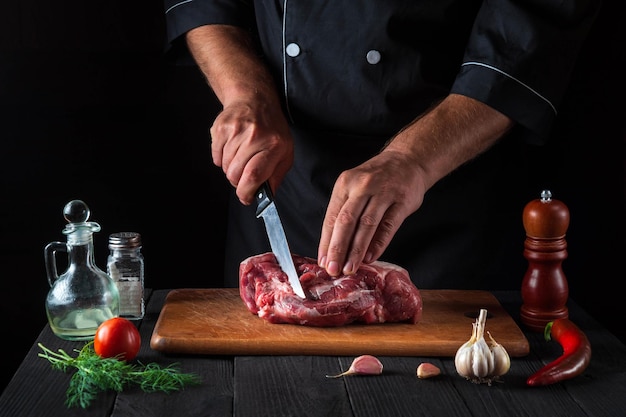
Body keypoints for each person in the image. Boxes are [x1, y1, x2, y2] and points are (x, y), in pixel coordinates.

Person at [162, 1, 600, 290]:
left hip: (447, 200)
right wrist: (245, 93)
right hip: (284, 183)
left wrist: (412, 159)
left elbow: (529, 28)